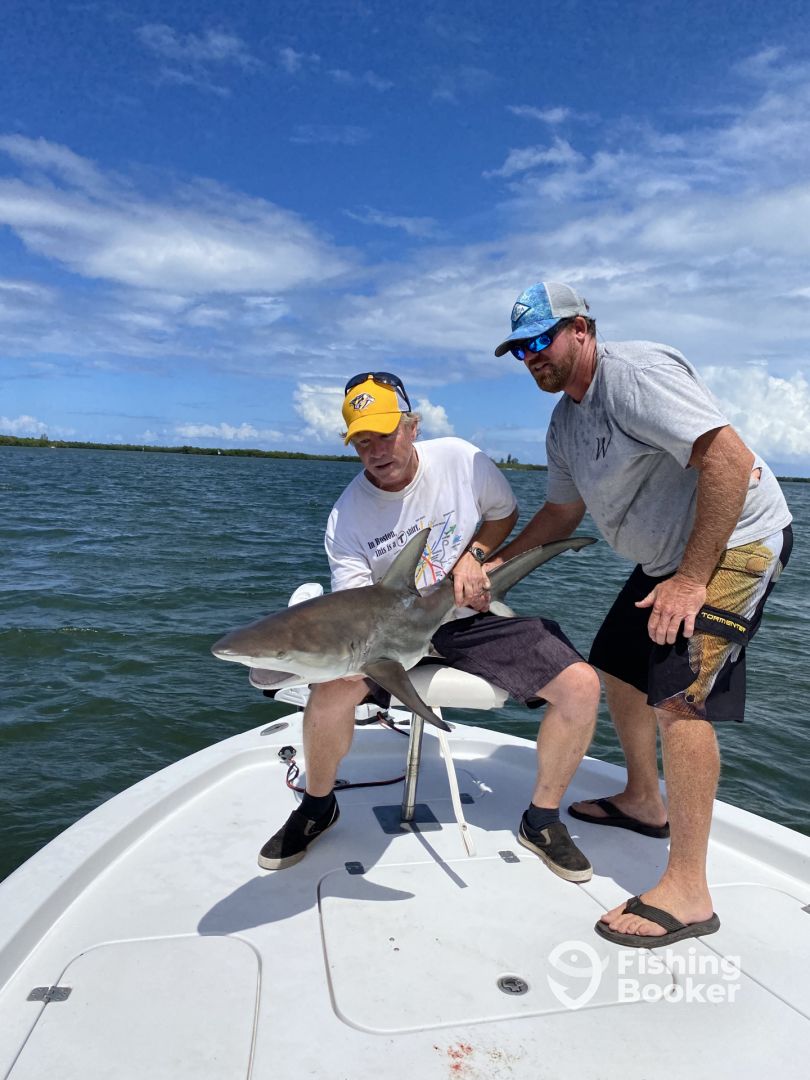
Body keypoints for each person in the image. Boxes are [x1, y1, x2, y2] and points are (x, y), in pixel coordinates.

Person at [491, 282, 793, 947]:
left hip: (736, 543)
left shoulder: (633, 376)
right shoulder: (563, 424)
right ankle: (643, 800)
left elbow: (730, 459)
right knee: (618, 666)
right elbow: (561, 514)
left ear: (581, 329)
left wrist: (691, 581)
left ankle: (688, 890)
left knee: (681, 699)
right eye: (519, 349)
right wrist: (493, 568)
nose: (532, 356)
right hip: (669, 558)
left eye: (541, 339)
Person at [258, 371, 600, 880]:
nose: (377, 451)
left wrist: (476, 559)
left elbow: (503, 515)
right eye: (363, 442)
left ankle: (542, 820)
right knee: (328, 693)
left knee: (581, 686)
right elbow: (355, 609)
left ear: (412, 426)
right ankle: (317, 806)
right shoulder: (346, 518)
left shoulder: (462, 461)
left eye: (386, 434)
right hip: (382, 638)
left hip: (463, 617)